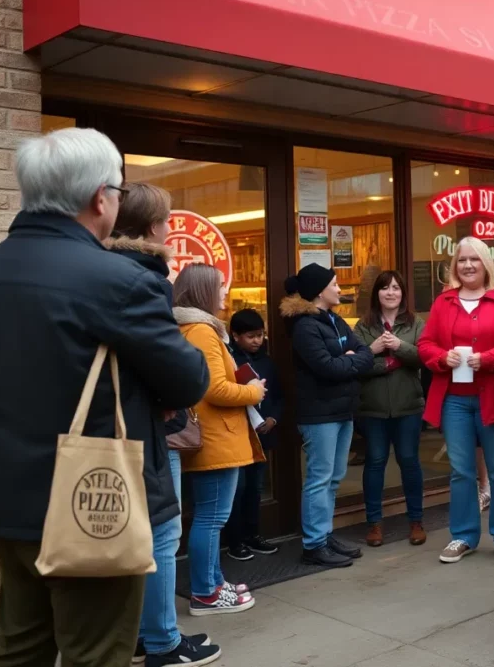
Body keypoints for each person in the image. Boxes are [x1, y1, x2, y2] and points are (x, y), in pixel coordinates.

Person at [0, 128, 210, 666]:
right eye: (120, 191)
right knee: (97, 650)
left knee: (21, 640)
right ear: (99, 197)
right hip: (91, 501)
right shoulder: (117, 280)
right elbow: (187, 380)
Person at [106, 183, 221, 666]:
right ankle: (162, 643)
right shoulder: (146, 276)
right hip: (147, 428)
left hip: (111, 426)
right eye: (168, 219)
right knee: (162, 532)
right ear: (154, 226)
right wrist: (177, 392)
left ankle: (137, 634)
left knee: (132, 536)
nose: (171, 227)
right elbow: (172, 367)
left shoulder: (101, 269)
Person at [419, 237, 494, 565]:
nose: (467, 265)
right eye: (462, 260)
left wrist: (490, 358)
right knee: (461, 471)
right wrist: (442, 357)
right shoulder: (444, 302)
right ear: (455, 266)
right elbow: (425, 344)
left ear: (486, 264)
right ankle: (463, 536)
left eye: (474, 260)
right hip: (455, 399)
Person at [173, 264, 266, 617]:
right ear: (202, 292)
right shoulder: (201, 331)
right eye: (220, 287)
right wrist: (252, 390)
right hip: (216, 437)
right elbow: (215, 389)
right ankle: (205, 593)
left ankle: (213, 582)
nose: (225, 293)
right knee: (211, 519)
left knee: (212, 517)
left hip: (215, 436)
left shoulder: (193, 328)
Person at [281, 262, 374, 567]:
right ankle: (313, 545)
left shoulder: (335, 320)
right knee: (320, 479)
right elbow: (327, 368)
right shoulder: (306, 327)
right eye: (334, 284)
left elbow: (366, 355)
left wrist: (347, 360)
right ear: (320, 291)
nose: (339, 289)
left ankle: (324, 534)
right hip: (319, 414)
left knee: (334, 478)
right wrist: (347, 360)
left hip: (342, 410)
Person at [353, 270, 428, 547]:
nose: (391, 292)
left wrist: (400, 346)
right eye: (385, 288)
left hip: (408, 406)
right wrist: (378, 355)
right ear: (377, 294)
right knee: (374, 463)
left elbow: (425, 356)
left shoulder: (416, 323)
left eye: (396, 287)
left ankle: (416, 521)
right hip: (372, 409)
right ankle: (374, 524)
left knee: (409, 461)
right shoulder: (363, 326)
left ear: (403, 293)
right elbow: (355, 363)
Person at [225, 308, 284, 561]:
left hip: (262, 434)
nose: (257, 340)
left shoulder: (267, 361)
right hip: (237, 434)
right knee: (237, 488)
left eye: (260, 335)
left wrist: (273, 418)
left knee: (255, 487)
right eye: (251, 336)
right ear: (235, 335)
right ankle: (234, 540)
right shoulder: (228, 361)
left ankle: (253, 534)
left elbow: (279, 396)